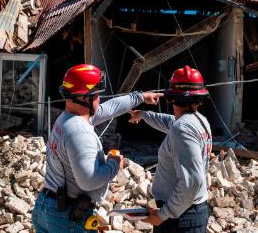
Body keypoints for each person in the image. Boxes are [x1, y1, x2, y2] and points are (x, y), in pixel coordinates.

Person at [32, 64, 163, 232]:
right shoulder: (79, 132)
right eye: (96, 96)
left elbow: (111, 108)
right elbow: (89, 181)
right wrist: (114, 164)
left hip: (48, 208)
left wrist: (140, 97)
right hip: (67, 218)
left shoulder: (68, 119)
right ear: (85, 99)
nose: (99, 100)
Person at [129, 65, 212, 233]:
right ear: (199, 97)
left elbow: (192, 181)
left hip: (180, 219)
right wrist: (143, 115)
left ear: (171, 98)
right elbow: (169, 122)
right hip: (188, 213)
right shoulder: (197, 120)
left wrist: (163, 214)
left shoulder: (182, 128)